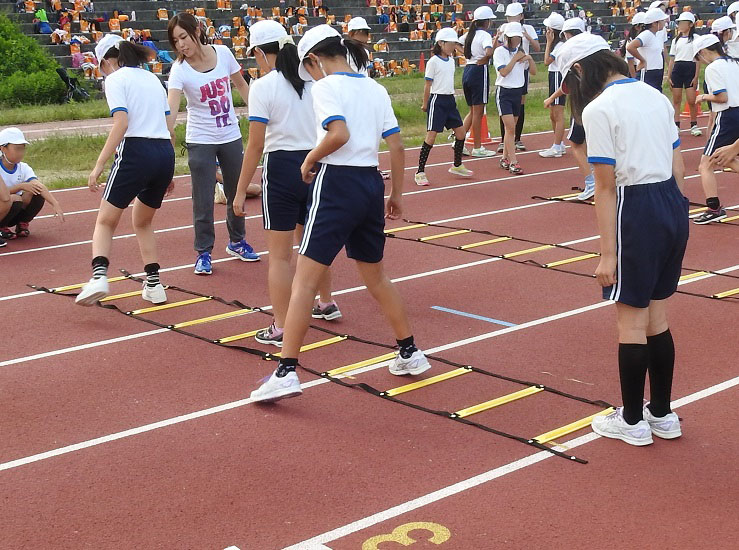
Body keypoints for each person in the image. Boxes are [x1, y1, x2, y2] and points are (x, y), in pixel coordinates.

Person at [249, 25, 431, 403]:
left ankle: (285, 372)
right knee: (376, 277)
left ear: (314, 60)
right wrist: (396, 192)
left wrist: (310, 158)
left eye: (309, 69)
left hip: (337, 184)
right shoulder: (375, 87)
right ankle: (410, 351)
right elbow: (396, 147)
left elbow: (339, 134)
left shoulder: (326, 87)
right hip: (370, 183)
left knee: (304, 281)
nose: (311, 77)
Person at [558, 32, 688, 446]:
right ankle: (663, 415)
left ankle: (632, 421)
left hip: (636, 207)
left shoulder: (600, 108)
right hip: (670, 201)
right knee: (657, 316)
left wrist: (606, 255)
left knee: (630, 318)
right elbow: (676, 159)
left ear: (580, 69)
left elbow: (605, 187)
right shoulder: (656, 95)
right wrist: (678, 209)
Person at [232, 20, 341, 348]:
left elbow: (254, 145)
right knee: (313, 244)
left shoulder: (263, 87)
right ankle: (326, 302)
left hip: (281, 169)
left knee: (279, 257)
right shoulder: (316, 81)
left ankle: (281, 325)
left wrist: (239, 191)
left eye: (255, 56)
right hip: (317, 165)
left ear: (263, 54)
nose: (255, 62)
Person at [75, 35, 174, 306]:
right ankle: (154, 285)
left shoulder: (115, 80)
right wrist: (169, 169)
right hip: (164, 152)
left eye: (101, 67)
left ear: (107, 61)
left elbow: (121, 123)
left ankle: (98, 277)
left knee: (105, 221)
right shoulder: (152, 79)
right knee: (143, 221)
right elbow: (169, 127)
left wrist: (98, 164)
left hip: (136, 151)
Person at [166, 12, 259, 276]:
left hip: (230, 135)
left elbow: (241, 85)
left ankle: (237, 241)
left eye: (184, 36)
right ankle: (204, 252)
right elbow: (171, 107)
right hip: (200, 139)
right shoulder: (179, 70)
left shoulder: (223, 53)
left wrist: (259, 114)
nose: (181, 44)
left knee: (235, 191)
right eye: (176, 41)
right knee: (203, 199)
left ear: (196, 30)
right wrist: (166, 131)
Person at [543, 17, 595, 199]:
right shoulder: (593, 49)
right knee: (594, 142)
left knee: (576, 143)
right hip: (602, 101)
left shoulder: (569, 51)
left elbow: (568, 84)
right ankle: (603, 180)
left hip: (583, 103)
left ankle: (592, 182)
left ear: (565, 34)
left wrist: (552, 97)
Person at [415, 28, 474, 186]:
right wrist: (425, 103)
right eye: (451, 43)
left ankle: (457, 165)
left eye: (455, 43)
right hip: (437, 101)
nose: (453, 46)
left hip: (450, 100)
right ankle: (420, 171)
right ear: (441, 43)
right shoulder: (433, 62)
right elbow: (428, 84)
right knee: (431, 136)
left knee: (461, 133)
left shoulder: (451, 60)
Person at [692, 34, 739, 224]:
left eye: (698, 58)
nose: (700, 62)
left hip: (727, 116)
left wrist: (704, 97)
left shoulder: (713, 68)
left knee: (706, 164)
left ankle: (714, 208)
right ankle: (714, 208)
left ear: (703, 52)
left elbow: (722, 97)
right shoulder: (735, 63)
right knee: (725, 157)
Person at [0, 127, 64, 243]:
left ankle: (22, 223)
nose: (21, 153)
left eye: (23, 149)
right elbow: (3, 195)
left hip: (14, 208)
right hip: (4, 206)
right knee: (14, 198)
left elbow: (38, 185)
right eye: (17, 149)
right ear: (3, 148)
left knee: (37, 192)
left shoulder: (23, 167)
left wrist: (55, 203)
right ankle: (1, 226)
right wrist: (20, 186)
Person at [497, 1, 539, 152]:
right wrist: (497, 37)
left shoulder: (528, 28)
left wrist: (526, 36)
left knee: (519, 104)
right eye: (509, 17)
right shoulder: (504, 28)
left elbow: (537, 47)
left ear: (521, 16)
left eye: (514, 17)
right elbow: (499, 49)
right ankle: (504, 140)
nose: (511, 20)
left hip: (522, 68)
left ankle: (517, 138)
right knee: (505, 107)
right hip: (508, 68)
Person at [493, 22, 533, 175]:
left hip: (517, 92)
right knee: (510, 128)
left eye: (518, 38)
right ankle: (514, 162)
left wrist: (528, 59)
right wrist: (515, 58)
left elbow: (533, 71)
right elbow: (503, 72)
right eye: (514, 38)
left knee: (513, 128)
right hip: (504, 92)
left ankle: (504, 158)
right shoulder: (500, 52)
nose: (517, 41)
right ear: (507, 38)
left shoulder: (520, 51)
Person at [460, 6, 497, 158]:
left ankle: (459, 141)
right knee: (478, 111)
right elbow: (488, 51)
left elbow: (456, 43)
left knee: (472, 110)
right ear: (486, 22)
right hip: (479, 71)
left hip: (467, 70)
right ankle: (477, 146)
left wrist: (468, 55)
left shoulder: (469, 34)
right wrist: (486, 57)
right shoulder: (484, 35)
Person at [667, 11, 702, 136]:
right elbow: (672, 59)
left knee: (691, 100)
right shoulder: (676, 40)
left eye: (683, 23)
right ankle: (676, 125)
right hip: (678, 68)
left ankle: (694, 125)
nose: (680, 25)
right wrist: (669, 75)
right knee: (676, 99)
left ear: (691, 24)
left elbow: (698, 59)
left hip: (690, 68)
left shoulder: (696, 39)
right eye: (679, 23)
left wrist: (696, 76)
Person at [539, 12, 567, 158]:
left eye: (548, 29)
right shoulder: (558, 44)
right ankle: (559, 143)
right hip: (553, 75)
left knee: (557, 113)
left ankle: (557, 146)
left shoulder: (559, 45)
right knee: (552, 113)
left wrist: (548, 42)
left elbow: (546, 61)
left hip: (557, 75)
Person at [626, 7, 669, 90]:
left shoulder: (655, 35)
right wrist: (642, 60)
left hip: (656, 72)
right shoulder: (646, 35)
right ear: (654, 23)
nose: (664, 23)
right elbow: (631, 47)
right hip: (647, 72)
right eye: (662, 21)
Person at [623, 12, 646, 78]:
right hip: (633, 69)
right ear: (637, 27)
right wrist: (635, 79)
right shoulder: (631, 41)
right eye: (644, 26)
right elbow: (631, 64)